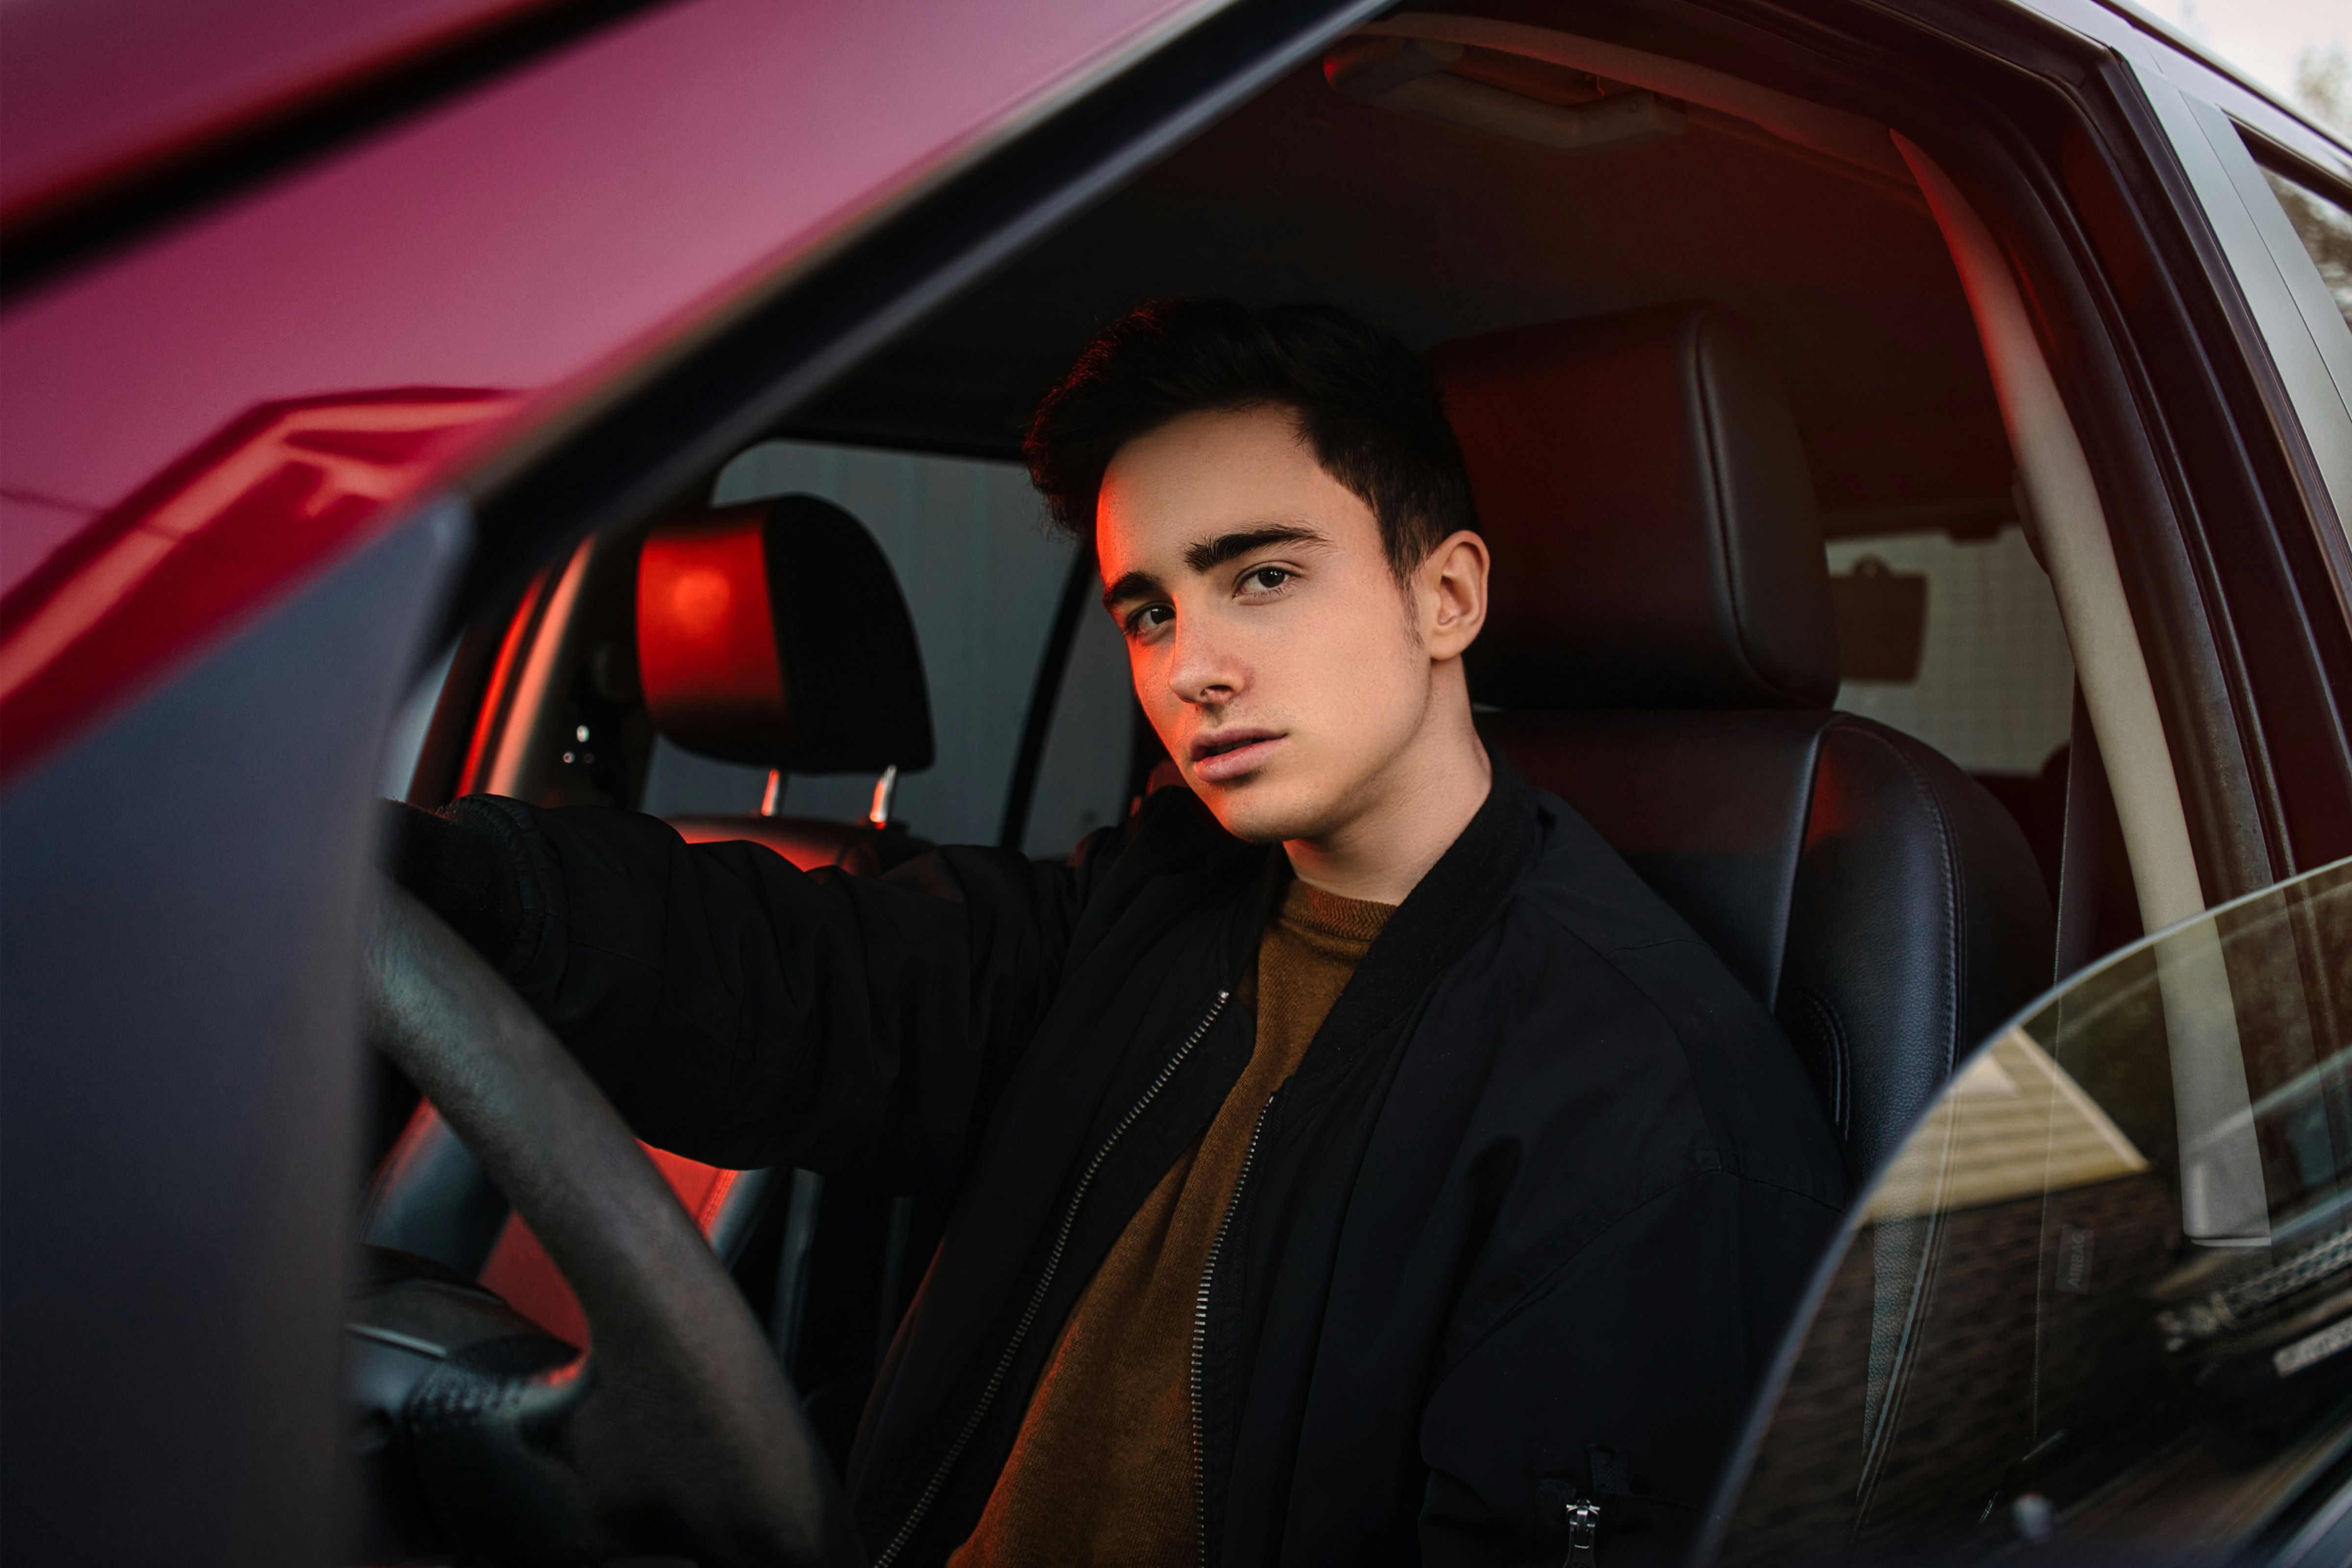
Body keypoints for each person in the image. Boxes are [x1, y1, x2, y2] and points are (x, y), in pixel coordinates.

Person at [385, 298, 1846, 1565]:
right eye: (1147, 613)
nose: (1191, 669)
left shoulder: (1643, 1106)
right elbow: (801, 974)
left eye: (1262, 577)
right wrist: (398, 888)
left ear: (1446, 592)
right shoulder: (1156, 906)